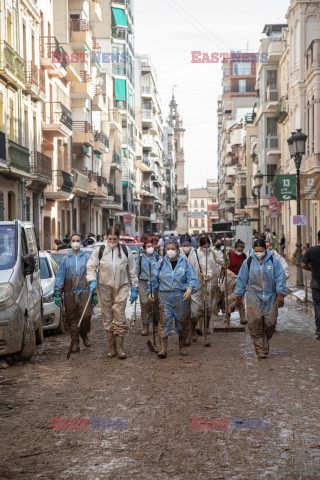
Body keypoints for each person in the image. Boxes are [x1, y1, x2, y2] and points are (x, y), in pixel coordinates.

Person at [86, 227, 139, 359]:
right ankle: (112, 348)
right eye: (110, 239)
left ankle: (120, 348)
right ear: (106, 237)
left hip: (122, 286)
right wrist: (92, 280)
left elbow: (132, 270)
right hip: (104, 287)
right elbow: (91, 267)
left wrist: (135, 287)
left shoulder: (125, 251)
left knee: (119, 315)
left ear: (118, 238)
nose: (112, 241)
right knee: (107, 315)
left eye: (115, 239)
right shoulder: (100, 250)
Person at [235, 239, 286, 358]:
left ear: (266, 250)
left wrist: (280, 294)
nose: (258, 253)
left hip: (270, 296)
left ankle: (264, 340)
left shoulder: (274, 261)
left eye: (261, 251)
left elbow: (280, 277)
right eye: (256, 251)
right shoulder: (248, 262)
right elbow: (241, 279)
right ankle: (260, 348)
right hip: (253, 296)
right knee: (254, 321)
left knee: (270, 322)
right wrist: (239, 296)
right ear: (253, 250)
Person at [149, 238, 198, 358]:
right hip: (164, 297)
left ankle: (182, 346)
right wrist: (151, 292)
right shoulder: (160, 263)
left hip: (181, 297)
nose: (170, 251)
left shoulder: (185, 263)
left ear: (178, 250)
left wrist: (190, 289)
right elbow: (154, 279)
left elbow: (192, 278)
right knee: (164, 321)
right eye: (168, 249)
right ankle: (163, 349)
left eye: (173, 249)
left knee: (182, 321)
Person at [54, 233, 96, 352]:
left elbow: (93, 273)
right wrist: (57, 293)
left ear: (81, 243)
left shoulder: (87, 257)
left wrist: (95, 293)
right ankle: (75, 342)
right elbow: (60, 276)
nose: (76, 242)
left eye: (78, 240)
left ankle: (84, 333)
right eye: (74, 240)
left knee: (86, 315)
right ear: (70, 243)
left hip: (85, 291)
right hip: (69, 293)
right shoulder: (65, 259)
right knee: (71, 318)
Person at [179, 238, 209, 340]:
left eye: (187, 245)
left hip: (196, 286)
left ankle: (192, 329)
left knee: (195, 312)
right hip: (182, 287)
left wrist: (205, 274)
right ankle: (186, 334)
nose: (186, 247)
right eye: (184, 245)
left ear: (190, 244)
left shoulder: (197, 253)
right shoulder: (178, 254)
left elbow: (203, 264)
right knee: (183, 312)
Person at [136, 242, 160, 336]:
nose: (151, 248)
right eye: (149, 247)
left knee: (155, 304)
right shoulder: (140, 258)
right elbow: (136, 271)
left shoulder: (158, 258)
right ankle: (145, 326)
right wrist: (134, 284)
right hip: (143, 283)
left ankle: (155, 325)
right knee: (145, 304)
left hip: (155, 284)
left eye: (152, 246)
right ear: (145, 249)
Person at [221, 239, 247, 324]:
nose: (240, 252)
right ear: (235, 248)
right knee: (227, 297)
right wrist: (222, 275)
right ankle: (227, 315)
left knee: (240, 297)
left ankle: (242, 316)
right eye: (238, 250)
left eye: (241, 250)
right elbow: (224, 266)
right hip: (229, 278)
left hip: (239, 278)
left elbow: (246, 267)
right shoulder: (229, 255)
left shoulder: (244, 256)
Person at [301, 232, 320, 340]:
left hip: (316, 283)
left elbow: (303, 264)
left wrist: (311, 269)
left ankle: (319, 329)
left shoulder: (311, 250)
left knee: (317, 306)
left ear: (318, 239)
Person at [198, 236, 218, 333]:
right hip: (201, 283)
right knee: (201, 305)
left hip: (212, 284)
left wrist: (226, 259)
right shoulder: (197, 254)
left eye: (208, 246)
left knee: (210, 306)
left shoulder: (212, 253)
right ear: (201, 246)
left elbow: (222, 262)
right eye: (205, 246)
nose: (207, 248)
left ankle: (206, 327)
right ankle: (199, 327)